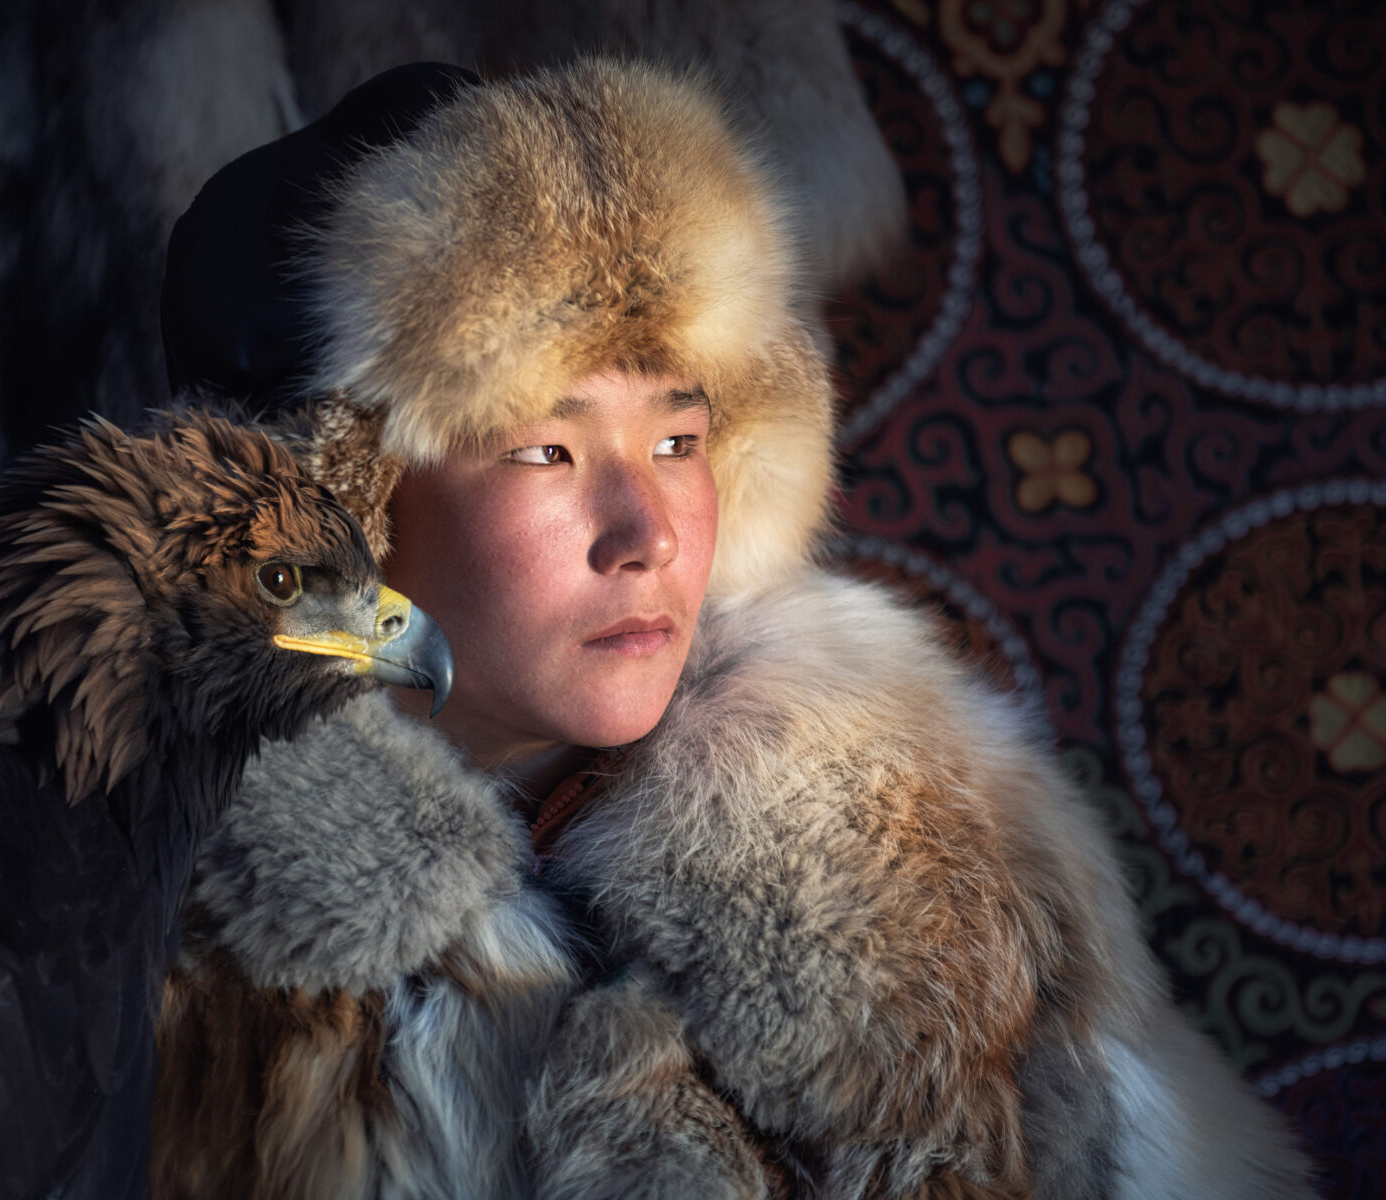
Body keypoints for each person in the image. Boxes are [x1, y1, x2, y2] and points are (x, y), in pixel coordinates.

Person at [145, 60, 1313, 1199]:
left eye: (679, 441)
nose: (644, 531)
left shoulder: (930, 850)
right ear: (347, 508)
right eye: (548, 450)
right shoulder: (148, 920)